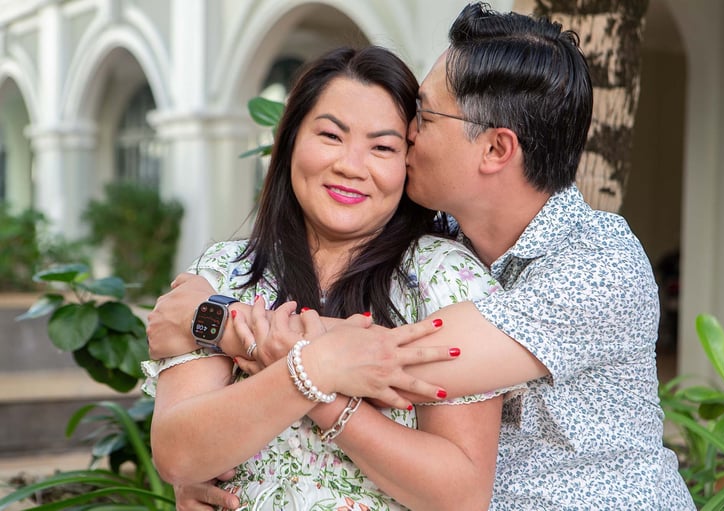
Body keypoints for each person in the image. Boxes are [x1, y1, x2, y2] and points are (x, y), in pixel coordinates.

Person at [154, 3, 695, 509]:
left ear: (496, 149)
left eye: (426, 119)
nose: (407, 136)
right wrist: (207, 461)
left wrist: (217, 322)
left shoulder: (598, 267)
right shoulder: (446, 237)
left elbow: (390, 356)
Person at [144, 44, 519, 511]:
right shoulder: (225, 273)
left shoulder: (446, 279)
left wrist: (308, 375)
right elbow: (179, 454)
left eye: (382, 146)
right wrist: (314, 370)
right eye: (330, 136)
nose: (350, 165)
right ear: (290, 141)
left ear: (408, 161)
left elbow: (460, 494)